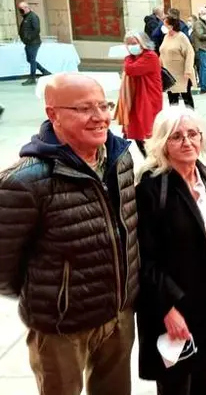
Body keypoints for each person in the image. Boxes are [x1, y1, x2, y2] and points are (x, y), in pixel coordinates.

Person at [0, 73, 139, 395]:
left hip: (118, 312)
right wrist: (55, 297)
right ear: (53, 114)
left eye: (104, 105)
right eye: (83, 109)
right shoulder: (24, 182)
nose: (100, 117)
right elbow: (5, 267)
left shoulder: (120, 159)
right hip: (62, 324)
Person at [135, 107, 206, 394]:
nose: (187, 142)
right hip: (173, 299)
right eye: (176, 136)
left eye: (193, 134)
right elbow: (146, 259)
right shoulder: (152, 188)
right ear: (161, 143)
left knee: (204, 376)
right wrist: (167, 309)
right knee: (176, 383)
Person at [117, 31, 163, 157]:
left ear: (143, 42)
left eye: (134, 43)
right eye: (128, 44)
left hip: (148, 99)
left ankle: (153, 160)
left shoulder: (150, 56)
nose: (131, 46)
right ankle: (148, 160)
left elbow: (131, 70)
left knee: (147, 132)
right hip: (135, 98)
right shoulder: (133, 58)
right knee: (136, 132)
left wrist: (127, 59)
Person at [160, 15, 196, 108]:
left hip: (181, 73)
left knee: (186, 96)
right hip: (169, 73)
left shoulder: (181, 37)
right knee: (172, 98)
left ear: (171, 26)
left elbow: (189, 53)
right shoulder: (166, 37)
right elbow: (162, 52)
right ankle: (174, 119)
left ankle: (190, 117)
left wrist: (188, 70)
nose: (162, 26)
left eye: (165, 24)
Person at [17, 2, 50, 86]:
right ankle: (45, 72)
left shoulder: (33, 17)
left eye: (22, 8)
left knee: (32, 60)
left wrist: (29, 38)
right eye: (19, 8)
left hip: (33, 42)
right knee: (30, 60)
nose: (20, 10)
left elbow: (36, 30)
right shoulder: (26, 17)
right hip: (28, 43)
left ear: (27, 8)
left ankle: (32, 78)